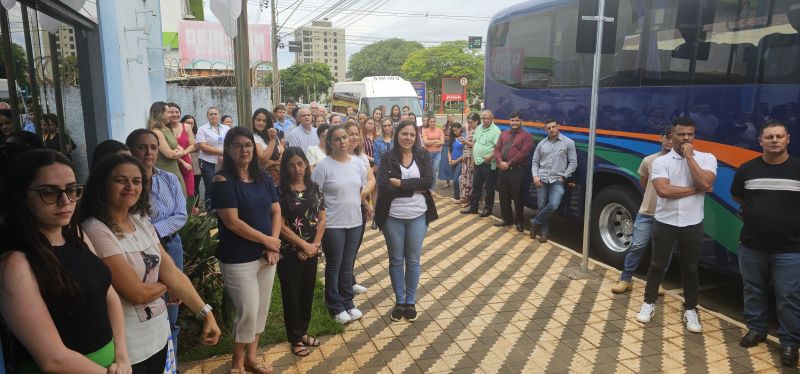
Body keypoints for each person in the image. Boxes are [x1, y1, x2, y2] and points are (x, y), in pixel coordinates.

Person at [80, 153, 220, 372]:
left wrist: (206, 313)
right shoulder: (95, 230)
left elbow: (172, 272)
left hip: (158, 337)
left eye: (136, 181)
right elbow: (136, 293)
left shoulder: (141, 221)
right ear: (101, 185)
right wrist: (166, 285)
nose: (130, 186)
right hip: (128, 349)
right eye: (120, 180)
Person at [0, 149, 132, 373]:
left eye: (71, 190)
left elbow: (108, 294)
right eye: (48, 192)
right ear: (22, 196)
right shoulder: (15, 264)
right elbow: (53, 360)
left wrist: (122, 355)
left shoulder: (76, 235)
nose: (65, 201)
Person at [635, 117, 717, 334]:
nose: (686, 138)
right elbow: (664, 191)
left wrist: (690, 158)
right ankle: (649, 302)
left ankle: (690, 309)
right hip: (665, 222)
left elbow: (706, 183)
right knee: (657, 265)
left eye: (690, 134)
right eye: (681, 134)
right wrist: (696, 189)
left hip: (692, 223)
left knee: (690, 268)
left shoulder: (707, 159)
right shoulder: (661, 162)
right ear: (672, 136)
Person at [211, 126, 281, 374]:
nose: (244, 149)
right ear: (228, 150)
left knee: (261, 311)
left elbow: (276, 211)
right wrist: (267, 240)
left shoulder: (262, 177)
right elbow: (232, 222)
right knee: (248, 312)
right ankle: (237, 363)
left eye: (248, 144)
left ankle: (252, 358)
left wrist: (272, 243)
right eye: (238, 145)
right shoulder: (222, 181)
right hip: (238, 259)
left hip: (266, 256)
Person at [731, 120, 800, 366]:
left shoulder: (797, 169)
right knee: (753, 290)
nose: (774, 140)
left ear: (787, 139)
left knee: (788, 296)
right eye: (769, 137)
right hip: (751, 245)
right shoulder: (747, 169)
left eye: (778, 136)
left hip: (790, 249)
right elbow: (738, 195)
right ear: (760, 141)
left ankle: (790, 343)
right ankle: (756, 329)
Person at [125, 128, 188, 364]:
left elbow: (181, 215)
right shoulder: (127, 185)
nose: (148, 152)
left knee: (172, 305)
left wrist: (152, 232)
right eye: (142, 147)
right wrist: (150, 237)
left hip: (170, 247)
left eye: (152, 147)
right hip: (135, 253)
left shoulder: (169, 179)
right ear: (131, 150)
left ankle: (171, 365)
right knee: (144, 304)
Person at [375, 119, 438, 322]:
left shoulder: (422, 154)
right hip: (392, 216)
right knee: (395, 259)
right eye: (404, 134)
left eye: (412, 134)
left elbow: (429, 181)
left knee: (412, 260)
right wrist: (414, 188)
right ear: (397, 134)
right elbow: (383, 186)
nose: (408, 138)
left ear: (416, 136)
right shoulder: (387, 157)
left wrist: (401, 183)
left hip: (418, 215)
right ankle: (399, 301)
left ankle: (410, 301)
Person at [311, 124, 368, 324]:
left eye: (345, 137)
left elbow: (359, 189)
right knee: (334, 265)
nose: (343, 142)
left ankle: (348, 302)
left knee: (347, 265)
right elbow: (314, 195)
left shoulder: (357, 164)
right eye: (337, 139)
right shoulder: (324, 166)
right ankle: (335, 306)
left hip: (355, 221)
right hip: (333, 224)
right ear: (330, 143)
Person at [611, 127, 673, 294]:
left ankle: (656, 282)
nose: (670, 141)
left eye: (674, 138)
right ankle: (625, 279)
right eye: (668, 137)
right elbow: (644, 183)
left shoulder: (681, 163)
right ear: (661, 138)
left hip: (668, 216)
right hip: (646, 212)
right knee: (637, 246)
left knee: (663, 252)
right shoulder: (649, 160)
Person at [277, 147, 326, 357]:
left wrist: (313, 245)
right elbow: (280, 226)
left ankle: (302, 332)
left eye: (300, 163)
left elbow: (322, 218)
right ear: (285, 167)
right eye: (291, 164)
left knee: (306, 294)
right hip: (289, 254)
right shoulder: (281, 192)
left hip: (311, 251)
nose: (296, 169)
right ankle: (295, 339)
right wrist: (303, 245)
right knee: (292, 295)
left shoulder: (314, 188)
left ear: (306, 164)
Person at [529, 118, 577, 243]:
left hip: (557, 180)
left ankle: (535, 222)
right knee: (541, 206)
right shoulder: (542, 144)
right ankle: (544, 233)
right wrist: (535, 176)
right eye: (549, 128)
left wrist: (565, 176)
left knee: (554, 205)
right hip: (542, 179)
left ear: (558, 127)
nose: (552, 129)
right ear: (546, 129)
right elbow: (535, 162)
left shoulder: (568, 142)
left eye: (554, 127)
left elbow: (573, 162)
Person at [345, 121, 376, 293]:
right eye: (350, 133)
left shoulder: (362, 157)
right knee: (344, 248)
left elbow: (371, 180)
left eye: (357, 133)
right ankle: (342, 284)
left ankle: (349, 279)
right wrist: (362, 200)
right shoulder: (338, 158)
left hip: (359, 206)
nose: (354, 137)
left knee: (355, 245)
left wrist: (363, 198)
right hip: (344, 209)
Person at [493, 112, 534, 232]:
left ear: (521, 121)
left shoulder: (526, 135)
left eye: (516, 120)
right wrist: (500, 162)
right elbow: (497, 150)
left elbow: (524, 154)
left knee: (518, 197)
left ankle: (519, 221)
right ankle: (507, 219)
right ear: (509, 121)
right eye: (512, 120)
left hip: (517, 170)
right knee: (503, 195)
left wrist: (509, 163)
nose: (514, 123)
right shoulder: (504, 134)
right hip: (503, 169)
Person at [461, 110, 501, 217]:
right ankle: (473, 208)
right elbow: (475, 145)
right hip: (478, 162)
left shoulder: (496, 131)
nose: (486, 120)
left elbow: (498, 148)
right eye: (484, 118)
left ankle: (488, 209)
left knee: (489, 188)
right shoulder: (478, 128)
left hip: (488, 163)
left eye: (488, 118)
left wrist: (490, 157)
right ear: (481, 119)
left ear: (492, 119)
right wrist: (473, 160)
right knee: (476, 186)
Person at [148, 101, 187, 196]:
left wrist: (179, 151)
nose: (171, 115)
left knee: (182, 198)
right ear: (160, 114)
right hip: (165, 173)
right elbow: (170, 154)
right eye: (168, 112)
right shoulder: (156, 132)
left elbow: (179, 147)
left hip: (175, 170)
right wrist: (180, 152)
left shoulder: (166, 129)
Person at [196, 106, 231, 208]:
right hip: (207, 161)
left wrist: (225, 155)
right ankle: (211, 211)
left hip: (224, 161)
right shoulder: (202, 129)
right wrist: (221, 152)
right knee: (210, 186)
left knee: (224, 184)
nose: (213, 116)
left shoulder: (226, 128)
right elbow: (202, 146)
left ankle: (224, 208)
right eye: (210, 114)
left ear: (219, 115)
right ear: (207, 116)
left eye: (215, 114)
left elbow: (230, 143)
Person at [170, 104, 197, 197]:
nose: (175, 114)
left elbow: (192, 144)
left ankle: (188, 210)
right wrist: (180, 159)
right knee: (174, 191)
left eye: (177, 112)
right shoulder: (165, 129)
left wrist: (183, 153)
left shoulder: (186, 127)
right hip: (171, 161)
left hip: (186, 161)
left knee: (189, 191)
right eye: (171, 112)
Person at [252, 108, 283, 184]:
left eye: (264, 121)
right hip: (263, 177)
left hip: (279, 176)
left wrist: (272, 162)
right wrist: (272, 140)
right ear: (253, 120)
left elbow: (283, 153)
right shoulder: (253, 137)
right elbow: (263, 158)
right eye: (258, 120)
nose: (261, 123)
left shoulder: (272, 135)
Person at [458, 113, 480, 206]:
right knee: (464, 177)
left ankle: (469, 200)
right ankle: (463, 198)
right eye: (468, 122)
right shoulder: (471, 129)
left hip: (471, 157)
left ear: (476, 121)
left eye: (471, 122)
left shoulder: (478, 131)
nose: (469, 124)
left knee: (469, 179)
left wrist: (465, 141)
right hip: (466, 157)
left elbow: (476, 145)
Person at [421, 116, 444, 192]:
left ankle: (432, 188)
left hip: (437, 153)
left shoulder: (440, 130)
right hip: (427, 154)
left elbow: (442, 142)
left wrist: (430, 141)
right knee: (428, 171)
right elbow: (425, 143)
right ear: (428, 122)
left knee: (434, 171)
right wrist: (436, 140)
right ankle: (426, 187)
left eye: (434, 121)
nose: (433, 123)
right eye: (431, 121)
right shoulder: (425, 131)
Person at [182, 114, 202, 198]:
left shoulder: (197, 134)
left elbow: (198, 146)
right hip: (183, 162)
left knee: (195, 185)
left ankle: (195, 206)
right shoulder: (179, 134)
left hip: (195, 164)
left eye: (192, 123)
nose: (190, 125)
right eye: (187, 123)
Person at [448, 122, 465, 202]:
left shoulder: (464, 137)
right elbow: (449, 150)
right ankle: (457, 196)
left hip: (460, 161)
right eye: (453, 131)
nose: (455, 132)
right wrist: (450, 160)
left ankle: (458, 197)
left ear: (460, 128)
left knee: (456, 179)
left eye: (456, 130)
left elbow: (465, 153)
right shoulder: (452, 138)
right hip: (452, 161)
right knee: (455, 179)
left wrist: (455, 161)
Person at [439, 114, 456, 188]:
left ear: (454, 117)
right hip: (445, 146)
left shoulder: (457, 125)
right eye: (448, 117)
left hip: (455, 146)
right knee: (446, 164)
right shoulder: (444, 126)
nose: (450, 118)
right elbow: (442, 136)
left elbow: (459, 135)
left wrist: (449, 137)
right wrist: (450, 137)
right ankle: (447, 181)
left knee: (455, 162)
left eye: (451, 116)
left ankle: (456, 180)